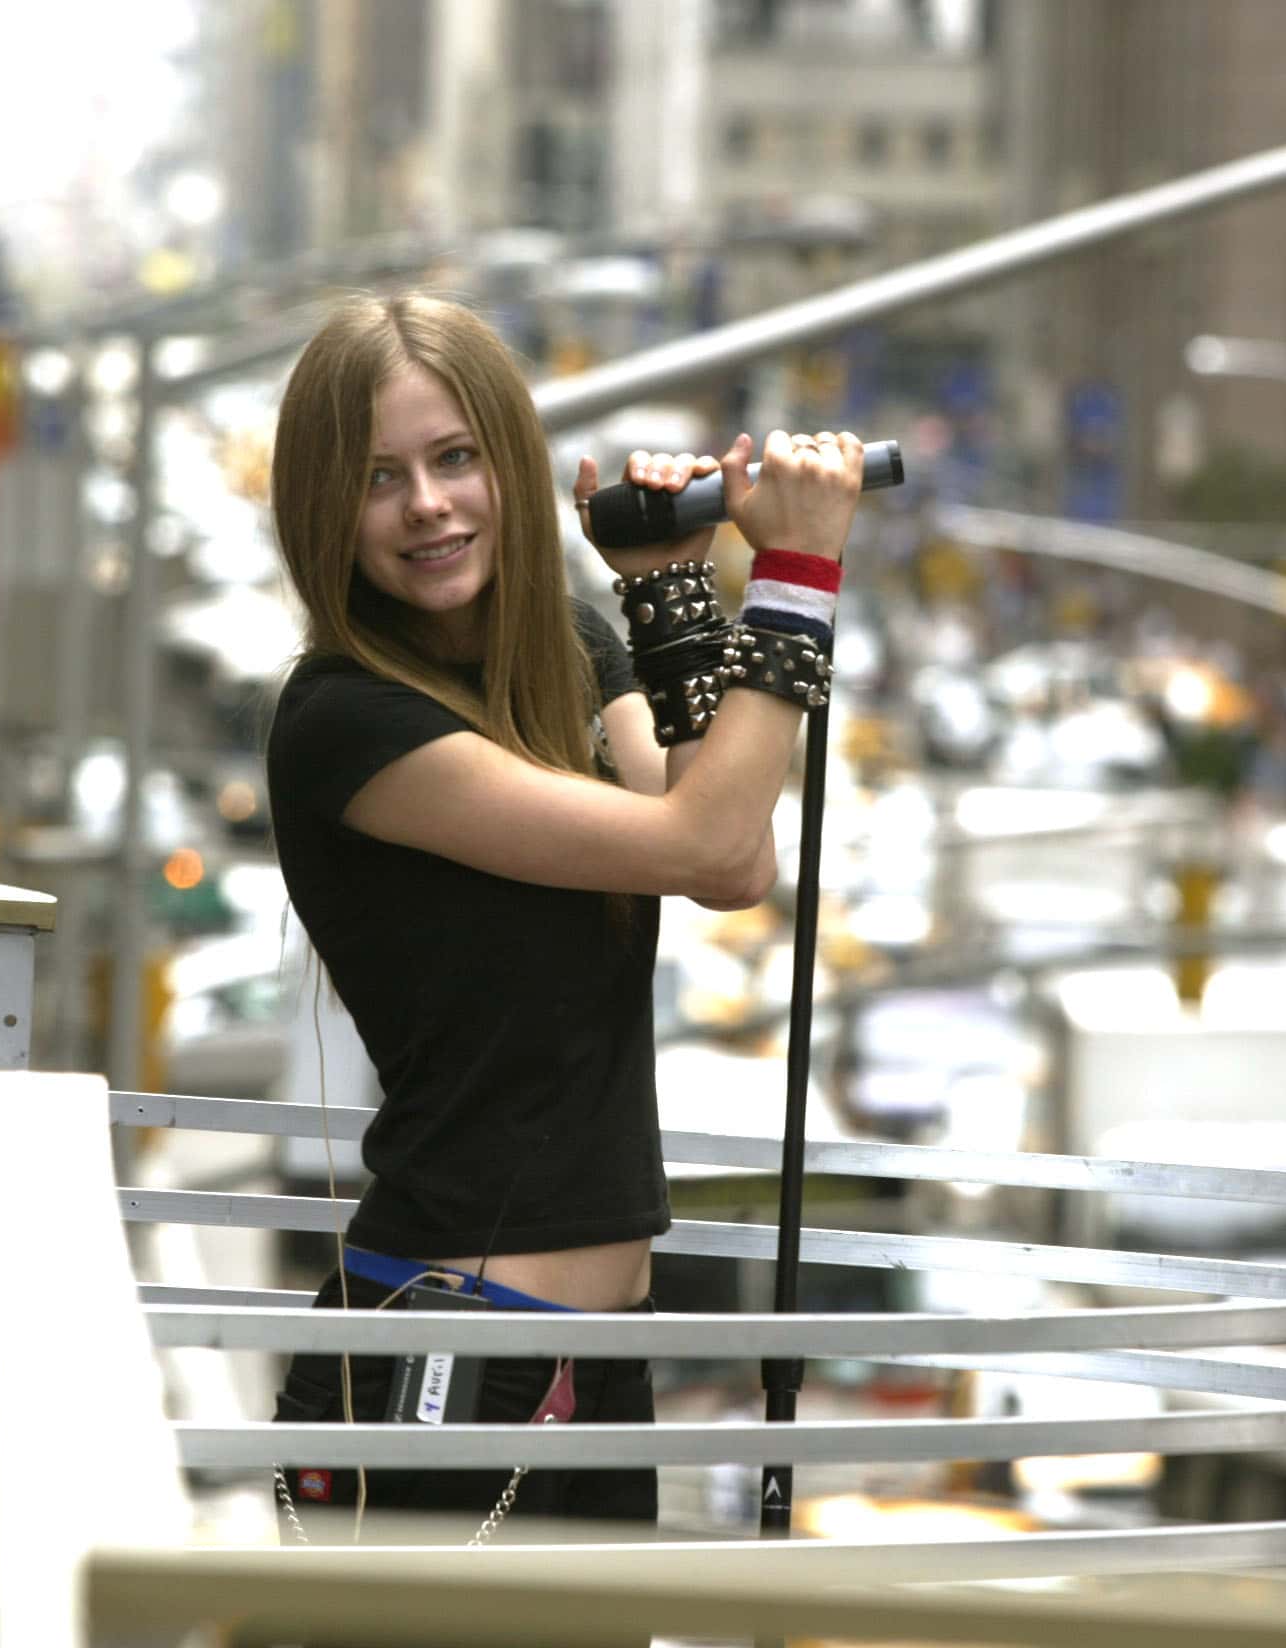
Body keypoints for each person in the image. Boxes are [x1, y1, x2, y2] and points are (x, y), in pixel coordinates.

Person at [261, 290, 864, 1540]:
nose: (428, 504)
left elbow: (730, 857)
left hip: (600, 1356)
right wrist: (797, 578)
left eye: (455, 457)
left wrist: (668, 595)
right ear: (325, 507)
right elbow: (693, 837)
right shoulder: (347, 722)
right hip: (449, 1350)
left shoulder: (568, 650)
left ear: (509, 466)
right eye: (379, 478)